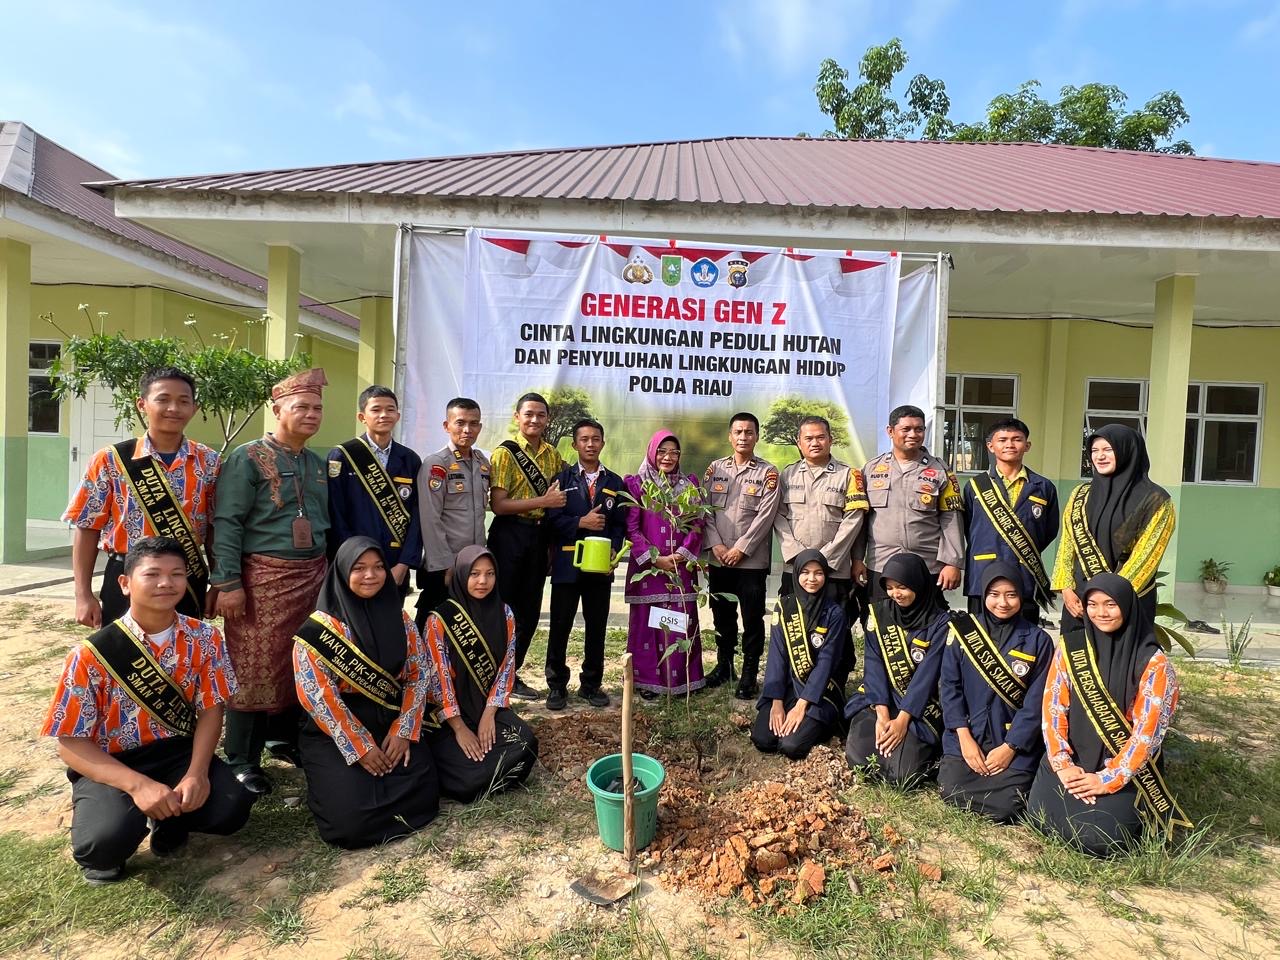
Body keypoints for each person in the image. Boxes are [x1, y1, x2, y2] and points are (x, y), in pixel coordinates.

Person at [41, 537, 252, 885]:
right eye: (152, 574)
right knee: (104, 844)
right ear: (124, 584)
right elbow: (69, 744)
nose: (166, 583)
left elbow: (211, 711)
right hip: (113, 762)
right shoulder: (92, 654)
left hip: (175, 754)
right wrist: (138, 786)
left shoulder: (205, 638)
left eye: (177, 574)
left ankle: (172, 817)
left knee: (231, 807)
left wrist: (197, 773)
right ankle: (118, 818)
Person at [211, 368, 330, 796]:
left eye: (318, 408)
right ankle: (242, 758)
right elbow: (227, 523)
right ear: (277, 409)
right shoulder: (246, 458)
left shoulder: (317, 463)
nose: (311, 414)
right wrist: (227, 582)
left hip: (313, 575)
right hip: (262, 579)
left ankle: (285, 739)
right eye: (302, 407)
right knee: (253, 666)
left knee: (300, 661)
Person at [1026, 573, 1192, 857]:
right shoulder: (1071, 647)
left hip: (1121, 766)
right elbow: (1053, 708)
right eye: (1092, 604)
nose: (1100, 613)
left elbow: (1147, 736)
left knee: (1102, 840)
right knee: (1039, 813)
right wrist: (1063, 764)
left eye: (1110, 604)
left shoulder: (1153, 663)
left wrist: (1106, 780)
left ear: (1127, 607)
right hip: (1074, 760)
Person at [293, 537, 440, 848]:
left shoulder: (400, 620)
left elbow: (418, 675)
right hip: (335, 732)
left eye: (378, 567)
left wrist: (403, 730)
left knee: (426, 790)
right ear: (343, 572)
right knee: (350, 820)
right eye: (359, 568)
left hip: (389, 724)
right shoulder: (319, 630)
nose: (370, 575)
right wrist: (359, 747)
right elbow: (318, 697)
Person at [65, 367, 218, 627]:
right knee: (125, 658)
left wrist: (219, 582)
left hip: (186, 577)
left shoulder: (209, 462)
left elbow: (217, 528)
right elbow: (87, 526)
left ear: (194, 408)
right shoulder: (111, 460)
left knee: (183, 657)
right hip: (125, 575)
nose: (173, 408)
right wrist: (82, 594)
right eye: (163, 399)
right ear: (142, 404)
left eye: (183, 401)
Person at [421, 546, 539, 803]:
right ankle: (471, 774)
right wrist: (460, 727)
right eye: (474, 574)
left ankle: (477, 772)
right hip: (446, 719)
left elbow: (507, 667)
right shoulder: (439, 621)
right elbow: (437, 681)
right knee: (466, 781)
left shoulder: (505, 613)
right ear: (461, 576)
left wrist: (488, 714)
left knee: (525, 743)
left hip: (486, 708)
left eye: (490, 574)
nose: (483, 581)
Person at [938, 564, 1053, 823]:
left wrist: (1009, 748)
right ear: (983, 595)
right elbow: (950, 687)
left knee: (1006, 806)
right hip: (967, 734)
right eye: (994, 594)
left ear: (1022, 596)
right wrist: (964, 739)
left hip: (1013, 739)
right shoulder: (963, 632)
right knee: (949, 789)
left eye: (1011, 594)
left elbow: (1036, 703)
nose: (1002, 602)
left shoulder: (1039, 640)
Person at [1051, 425, 1175, 634]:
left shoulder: (1156, 500)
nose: (1099, 456)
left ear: (1127, 451)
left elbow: (1146, 557)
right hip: (1079, 602)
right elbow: (1067, 545)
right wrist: (1066, 587)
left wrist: (1107, 601)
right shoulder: (1080, 494)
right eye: (1094, 451)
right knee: (1077, 661)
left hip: (1125, 600)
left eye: (1108, 450)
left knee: (1123, 663)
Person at [544, 419, 629, 711]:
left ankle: (591, 684)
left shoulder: (614, 483)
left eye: (595, 439)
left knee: (596, 627)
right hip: (567, 565)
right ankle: (556, 685)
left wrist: (613, 553)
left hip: (599, 569)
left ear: (603, 443)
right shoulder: (562, 480)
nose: (590, 444)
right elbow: (550, 522)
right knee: (560, 626)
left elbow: (620, 525)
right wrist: (580, 522)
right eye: (584, 439)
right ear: (574, 444)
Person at [844, 553, 950, 785]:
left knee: (903, 773)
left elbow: (928, 676)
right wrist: (882, 714)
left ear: (918, 583)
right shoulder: (879, 614)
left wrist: (902, 721)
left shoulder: (941, 622)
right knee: (859, 757)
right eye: (890, 588)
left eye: (902, 587)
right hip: (882, 696)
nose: (896, 594)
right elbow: (874, 665)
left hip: (919, 704)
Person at [487, 392, 567, 700]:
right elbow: (499, 504)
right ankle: (491, 674)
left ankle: (512, 674)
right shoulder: (504, 453)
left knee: (530, 610)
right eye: (529, 414)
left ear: (547, 420)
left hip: (539, 536)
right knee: (503, 607)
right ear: (517, 417)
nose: (535, 420)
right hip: (509, 534)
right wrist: (543, 501)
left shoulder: (552, 455)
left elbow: (560, 499)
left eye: (541, 415)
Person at [703, 412, 781, 700]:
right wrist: (717, 546)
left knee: (752, 616)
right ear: (730, 436)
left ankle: (749, 672)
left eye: (749, 432)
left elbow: (765, 516)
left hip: (750, 562)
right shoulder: (715, 469)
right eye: (738, 432)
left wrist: (741, 549)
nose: (743, 437)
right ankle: (724, 665)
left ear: (757, 436)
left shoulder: (768, 472)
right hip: (719, 557)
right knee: (721, 614)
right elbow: (705, 510)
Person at [623, 430, 706, 700]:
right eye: (662, 451)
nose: (668, 457)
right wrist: (655, 558)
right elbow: (632, 528)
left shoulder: (690, 485)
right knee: (650, 625)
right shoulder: (636, 485)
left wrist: (681, 555)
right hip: (651, 569)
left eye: (674, 452)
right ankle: (649, 681)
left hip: (681, 568)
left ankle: (683, 681)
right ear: (652, 452)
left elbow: (698, 523)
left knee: (680, 621)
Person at [772, 415, 867, 642]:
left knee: (835, 628)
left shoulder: (849, 475)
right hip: (796, 568)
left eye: (820, 437)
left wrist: (823, 559)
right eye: (809, 438)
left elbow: (853, 520)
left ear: (830, 440)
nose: (815, 443)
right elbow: (778, 516)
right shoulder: (787, 474)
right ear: (799, 443)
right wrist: (796, 555)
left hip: (835, 569)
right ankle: (796, 675)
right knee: (795, 627)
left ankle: (834, 675)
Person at [750, 549, 848, 761]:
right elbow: (777, 655)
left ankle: (821, 723)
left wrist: (801, 707)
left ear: (826, 576)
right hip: (787, 686)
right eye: (805, 572)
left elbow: (826, 664)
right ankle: (789, 712)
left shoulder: (835, 614)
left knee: (791, 746)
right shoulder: (785, 607)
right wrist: (776, 702)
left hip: (819, 690)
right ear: (795, 574)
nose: (812, 579)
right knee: (764, 739)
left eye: (818, 573)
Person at [858, 404, 965, 598]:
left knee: (927, 624)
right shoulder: (871, 470)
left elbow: (951, 520)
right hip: (881, 564)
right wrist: (857, 559)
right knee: (880, 623)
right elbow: (861, 520)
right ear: (890, 431)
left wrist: (952, 563)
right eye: (906, 429)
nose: (913, 434)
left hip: (927, 566)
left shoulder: (941, 471)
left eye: (919, 429)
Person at [962, 419, 1059, 627]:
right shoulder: (975, 487)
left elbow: (1049, 530)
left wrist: (1021, 547)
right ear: (990, 446)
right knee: (980, 636)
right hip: (983, 573)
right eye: (1003, 440)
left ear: (1027, 445)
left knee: (1024, 637)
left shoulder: (1043, 487)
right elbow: (969, 527)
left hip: (1025, 574)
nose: (1010, 445)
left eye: (1017, 439)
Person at [326, 386, 423, 595]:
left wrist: (404, 564)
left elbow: (417, 517)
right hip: (355, 564)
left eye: (390, 410)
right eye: (376, 409)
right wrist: (351, 560)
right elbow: (336, 514)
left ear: (397, 416)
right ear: (362, 416)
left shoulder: (410, 459)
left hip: (395, 564)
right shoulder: (343, 456)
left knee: (390, 624)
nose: (383, 415)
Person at [415, 397, 491, 631]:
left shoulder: (482, 463)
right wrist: (444, 565)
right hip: (446, 566)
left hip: (473, 563)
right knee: (432, 627)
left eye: (474, 423)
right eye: (460, 423)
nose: (467, 430)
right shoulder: (437, 464)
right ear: (447, 426)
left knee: (465, 630)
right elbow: (430, 518)